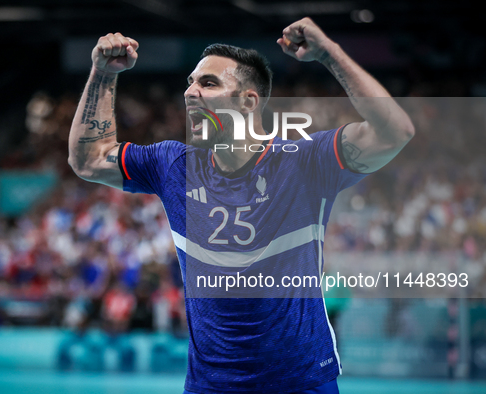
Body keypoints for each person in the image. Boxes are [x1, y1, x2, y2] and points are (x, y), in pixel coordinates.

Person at [68, 17, 414, 394]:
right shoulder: (173, 165)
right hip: (210, 386)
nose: (190, 93)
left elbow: (394, 132)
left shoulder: (303, 163)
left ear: (248, 101)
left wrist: (329, 53)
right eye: (190, 83)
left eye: (208, 83)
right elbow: (88, 160)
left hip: (300, 383)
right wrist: (102, 73)